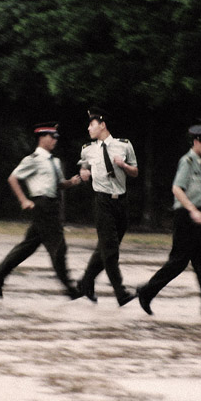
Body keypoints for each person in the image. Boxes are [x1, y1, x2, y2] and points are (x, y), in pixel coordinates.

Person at [137, 125, 201, 317]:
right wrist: (193, 211)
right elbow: (176, 189)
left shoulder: (198, 162)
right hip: (187, 217)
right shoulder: (187, 162)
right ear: (196, 142)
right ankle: (147, 292)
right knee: (178, 262)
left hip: (197, 217)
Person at [0, 122, 83, 299]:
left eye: (56, 137)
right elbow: (13, 178)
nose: (55, 140)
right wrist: (24, 200)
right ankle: (70, 289)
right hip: (42, 206)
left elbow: (59, 184)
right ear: (42, 137)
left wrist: (72, 182)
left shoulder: (54, 161)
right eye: (51, 136)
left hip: (53, 206)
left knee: (27, 247)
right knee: (58, 247)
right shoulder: (33, 159)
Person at [76, 107, 138, 306]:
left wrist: (125, 166)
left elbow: (135, 172)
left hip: (121, 201)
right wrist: (84, 173)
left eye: (91, 125)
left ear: (102, 125)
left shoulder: (124, 146)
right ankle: (121, 293)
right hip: (102, 202)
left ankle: (85, 282)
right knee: (110, 250)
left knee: (106, 247)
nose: (88, 129)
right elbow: (84, 167)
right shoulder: (87, 149)